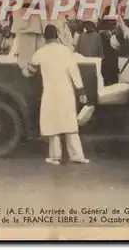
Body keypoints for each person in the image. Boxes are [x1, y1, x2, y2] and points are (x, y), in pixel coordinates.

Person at [24, 24, 89, 165]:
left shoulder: (40, 53)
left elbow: (30, 71)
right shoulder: (66, 51)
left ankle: (55, 157)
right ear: (57, 36)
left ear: (44, 37)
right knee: (70, 124)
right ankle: (77, 155)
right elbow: (75, 73)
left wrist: (24, 67)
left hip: (50, 92)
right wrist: (81, 92)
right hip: (66, 92)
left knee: (53, 126)